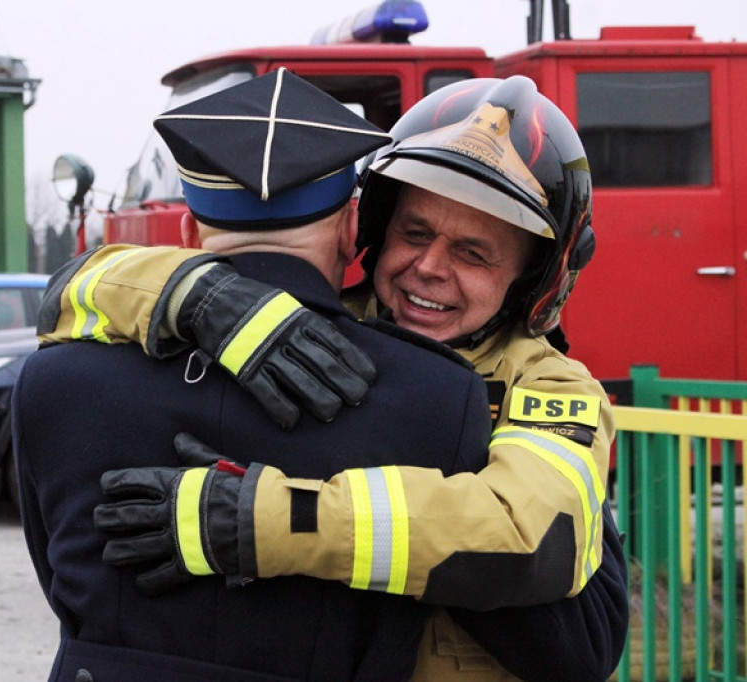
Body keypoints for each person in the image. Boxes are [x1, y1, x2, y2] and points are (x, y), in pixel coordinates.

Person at [37, 75, 628, 681]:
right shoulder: (297, 324)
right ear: (367, 229)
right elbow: (64, 298)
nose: (428, 267)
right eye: (414, 233)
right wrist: (193, 292)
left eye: (473, 253)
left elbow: (535, 543)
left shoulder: (552, 388)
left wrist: (269, 519)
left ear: (533, 278)